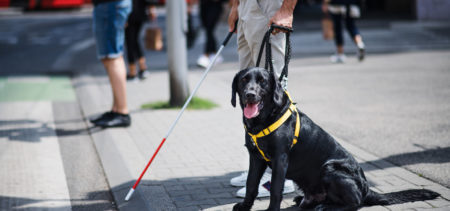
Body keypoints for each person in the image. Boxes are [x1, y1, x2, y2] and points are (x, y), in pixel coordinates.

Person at [227, 0, 298, 198]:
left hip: (269, 5)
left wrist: (286, 9)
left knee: (271, 92)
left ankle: (279, 176)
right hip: (246, 7)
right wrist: (236, 6)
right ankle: (257, 170)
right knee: (248, 89)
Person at [89, 0, 132, 128]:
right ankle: (116, 109)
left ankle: (122, 112)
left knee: (113, 56)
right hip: (109, 5)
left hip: (111, 5)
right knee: (109, 57)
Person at [125, 0, 156, 81]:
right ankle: (142, 68)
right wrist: (151, 8)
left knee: (130, 42)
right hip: (139, 12)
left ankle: (133, 72)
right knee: (134, 41)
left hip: (129, 14)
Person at [196, 0, 225, 68]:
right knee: (208, 29)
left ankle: (206, 55)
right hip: (204, 4)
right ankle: (215, 54)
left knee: (209, 29)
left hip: (215, 5)